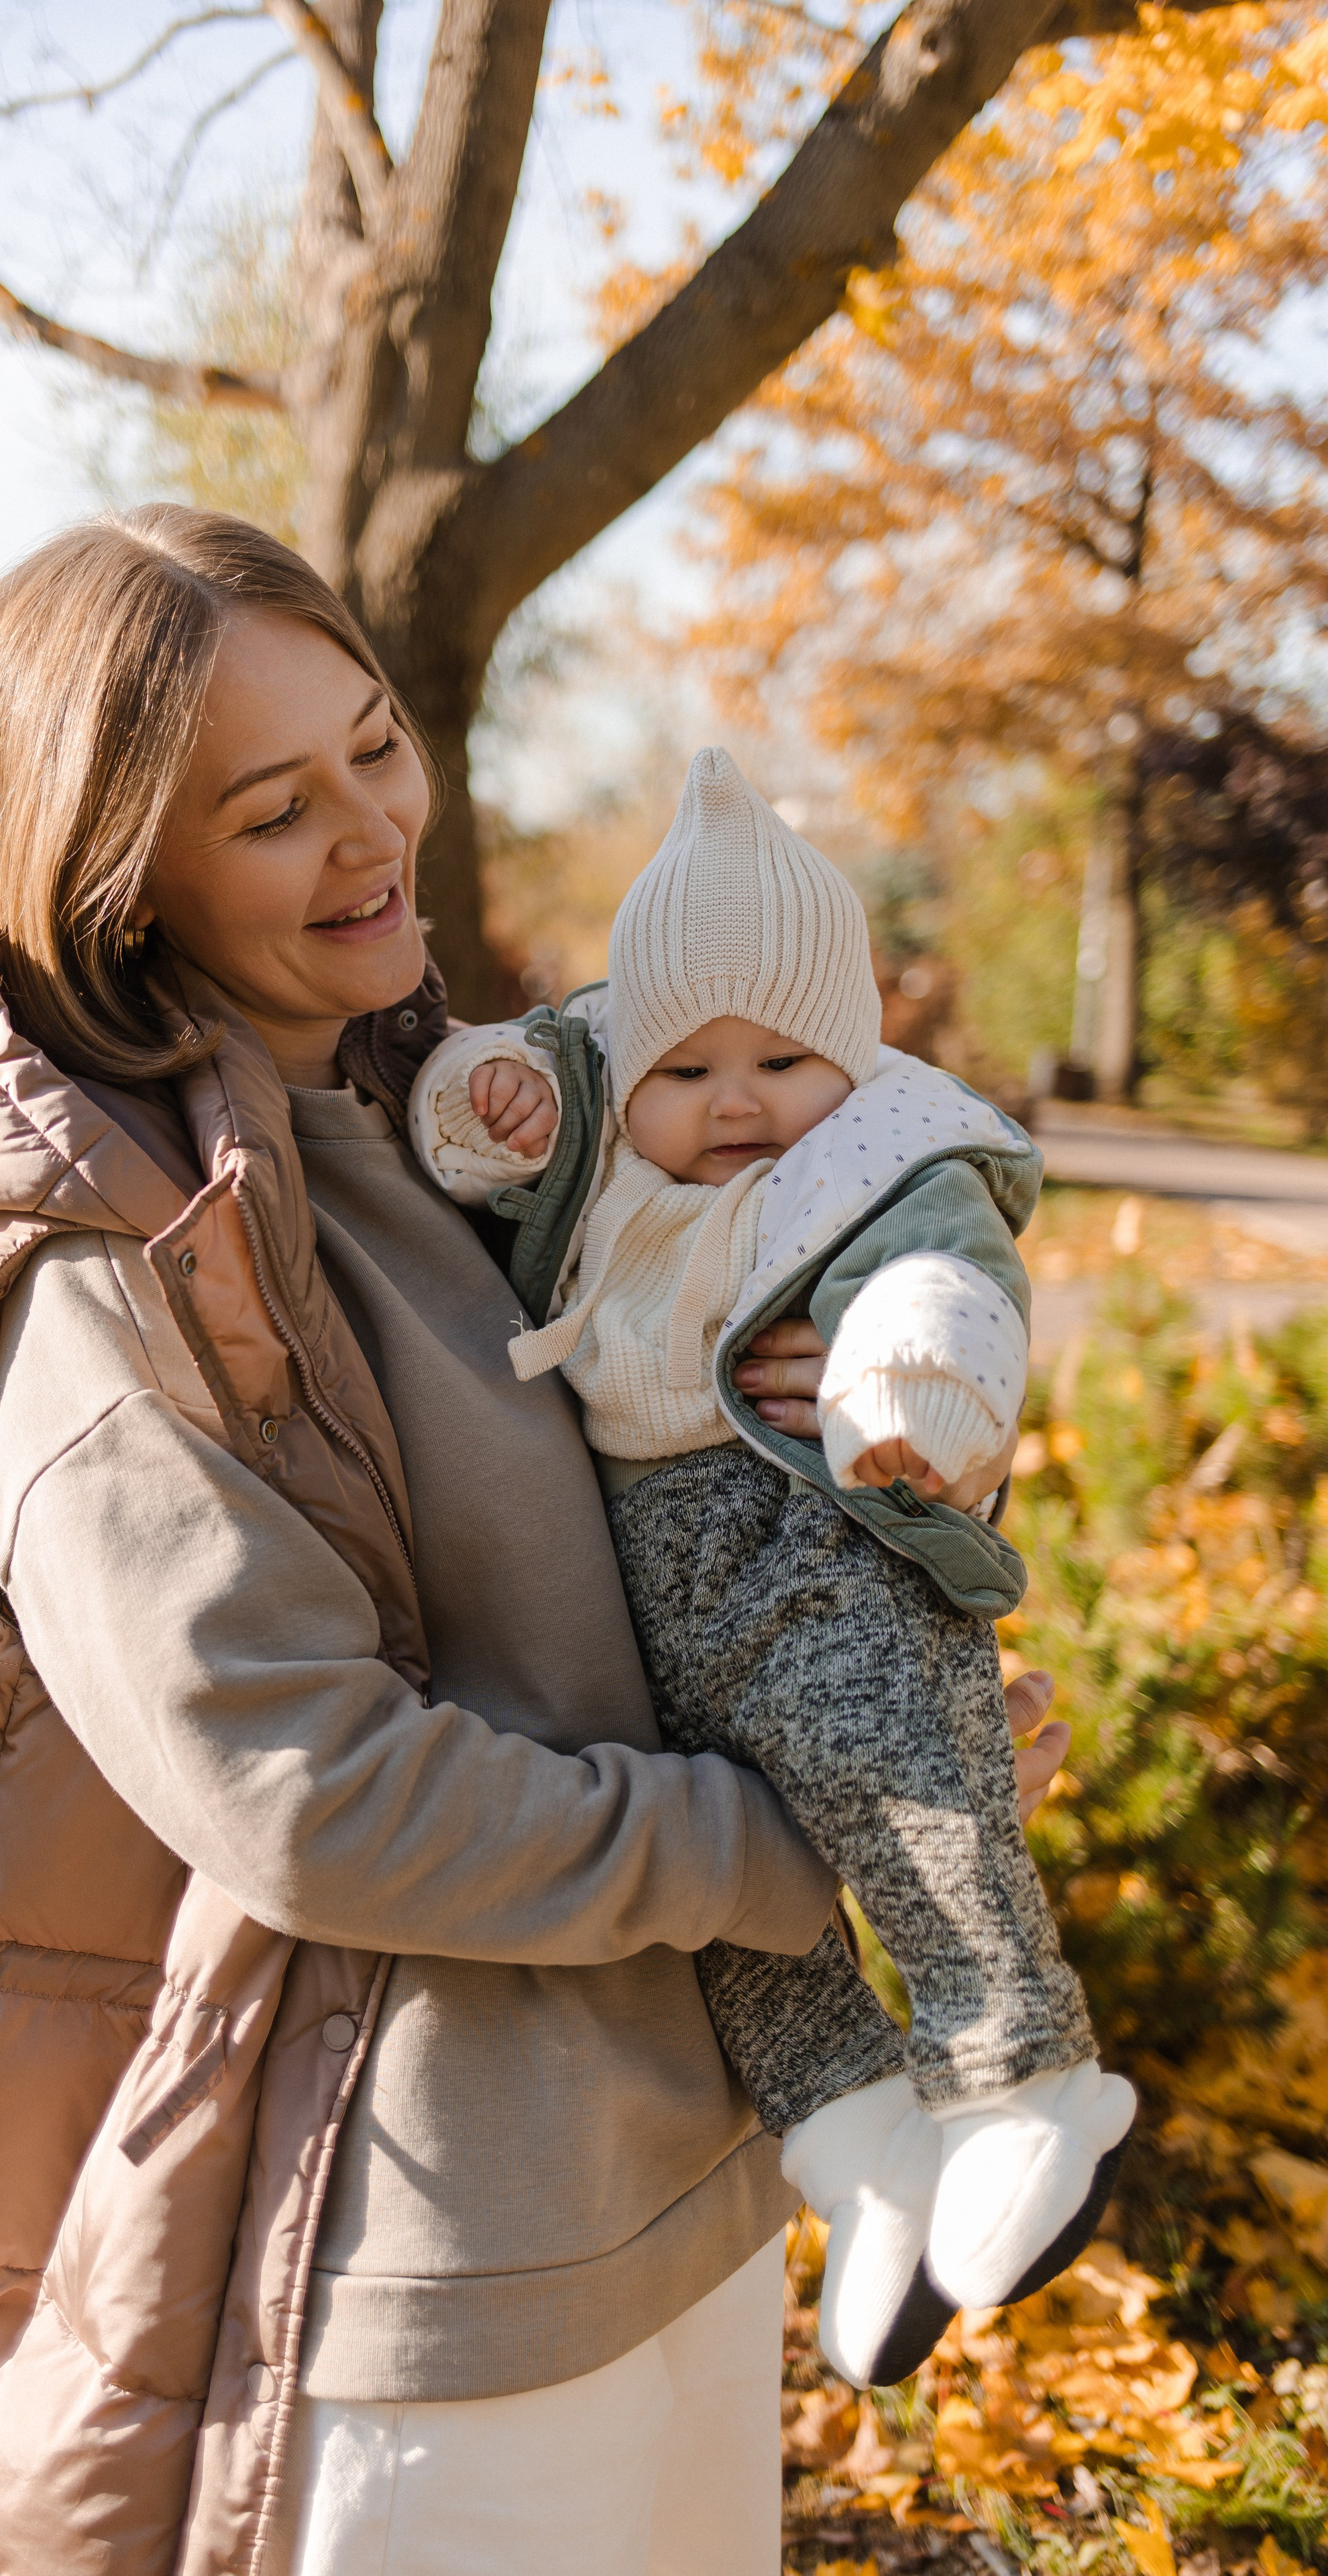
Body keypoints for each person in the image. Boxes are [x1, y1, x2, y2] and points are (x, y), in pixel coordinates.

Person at [0, 505, 1066, 2576]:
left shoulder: (479, 1140)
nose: (370, 834)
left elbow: (641, 1570)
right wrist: (795, 1848)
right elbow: (310, 1793)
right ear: (117, 874)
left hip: (701, 2175)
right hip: (443, 2285)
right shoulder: (113, 1284)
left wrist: (877, 1468)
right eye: (274, 809)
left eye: (375, 747)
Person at [406, 747, 1131, 2392]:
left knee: (913, 1796)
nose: (732, 1101)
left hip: (817, 1552)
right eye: (687, 1067)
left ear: (856, 1056)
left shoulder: (870, 1168)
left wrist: (902, 1389)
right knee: (733, 1927)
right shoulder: (612, 1160)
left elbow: (941, 1290)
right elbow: (475, 1114)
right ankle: (859, 2136)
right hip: (652, 1626)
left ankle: (1021, 2076)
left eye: (782, 1057)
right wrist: (490, 1105)